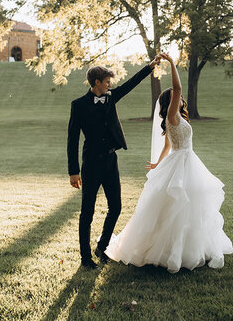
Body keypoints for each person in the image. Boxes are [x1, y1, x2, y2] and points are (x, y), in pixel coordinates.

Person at [105, 53, 233, 273]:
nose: (179, 97)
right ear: (170, 102)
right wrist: (172, 64)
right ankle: (171, 252)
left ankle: (187, 248)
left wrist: (157, 164)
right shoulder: (172, 115)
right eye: (174, 96)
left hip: (182, 159)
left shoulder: (175, 118)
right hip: (183, 161)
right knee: (179, 205)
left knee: (190, 205)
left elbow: (167, 146)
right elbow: (178, 88)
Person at [67, 55, 162, 269]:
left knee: (116, 207)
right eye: (107, 80)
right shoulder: (79, 105)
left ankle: (101, 247)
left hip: (111, 160)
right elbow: (72, 139)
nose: (110, 83)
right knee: (87, 212)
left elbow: (131, 84)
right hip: (90, 163)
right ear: (97, 82)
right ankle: (85, 258)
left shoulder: (111, 97)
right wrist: (73, 171)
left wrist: (150, 67)